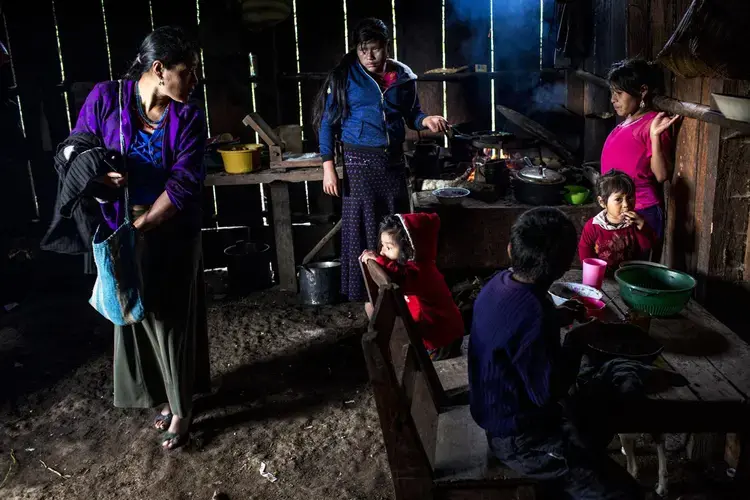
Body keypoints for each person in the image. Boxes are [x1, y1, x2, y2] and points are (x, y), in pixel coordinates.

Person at [73, 26, 210, 450]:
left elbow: (183, 184)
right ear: (158, 69)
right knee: (135, 314)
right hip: (121, 229)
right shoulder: (107, 100)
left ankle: (183, 411)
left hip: (169, 231)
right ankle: (162, 397)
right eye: (186, 72)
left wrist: (142, 227)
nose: (193, 81)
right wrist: (98, 172)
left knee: (171, 321)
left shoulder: (187, 116)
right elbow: (77, 148)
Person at [468, 207, 644, 499]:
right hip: (520, 440)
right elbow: (550, 391)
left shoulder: (498, 283)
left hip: (496, 412)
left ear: (510, 249)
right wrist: (575, 340)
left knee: (592, 432)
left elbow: (514, 330)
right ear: (564, 267)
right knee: (622, 493)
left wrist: (555, 316)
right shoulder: (534, 314)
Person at [313, 17, 448, 302]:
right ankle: (368, 298)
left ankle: (397, 292)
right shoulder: (345, 77)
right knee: (364, 228)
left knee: (394, 229)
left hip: (393, 163)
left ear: (386, 46)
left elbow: (413, 116)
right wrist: (328, 167)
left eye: (375, 48)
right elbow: (327, 123)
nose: (369, 56)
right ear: (356, 49)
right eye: (363, 50)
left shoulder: (403, 77)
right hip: (359, 163)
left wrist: (428, 120)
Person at [360, 213, 464, 360]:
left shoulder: (421, 272)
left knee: (425, 365)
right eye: (382, 246)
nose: (382, 251)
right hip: (429, 330)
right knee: (369, 307)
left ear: (409, 248)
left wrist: (377, 260)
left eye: (388, 247)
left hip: (443, 339)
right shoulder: (411, 267)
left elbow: (399, 276)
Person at [601, 58, 680, 242]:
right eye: (612, 93)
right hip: (619, 208)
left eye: (619, 93)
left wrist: (654, 136)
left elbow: (661, 175)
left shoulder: (653, 123)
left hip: (640, 211)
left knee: (632, 268)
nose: (613, 99)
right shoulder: (629, 119)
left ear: (642, 91)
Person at [578, 170, 656, 269]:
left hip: (628, 275)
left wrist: (641, 225)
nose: (626, 205)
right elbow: (585, 252)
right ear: (602, 202)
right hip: (602, 276)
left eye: (630, 197)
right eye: (618, 199)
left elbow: (647, 247)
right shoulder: (593, 226)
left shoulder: (636, 222)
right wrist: (592, 270)